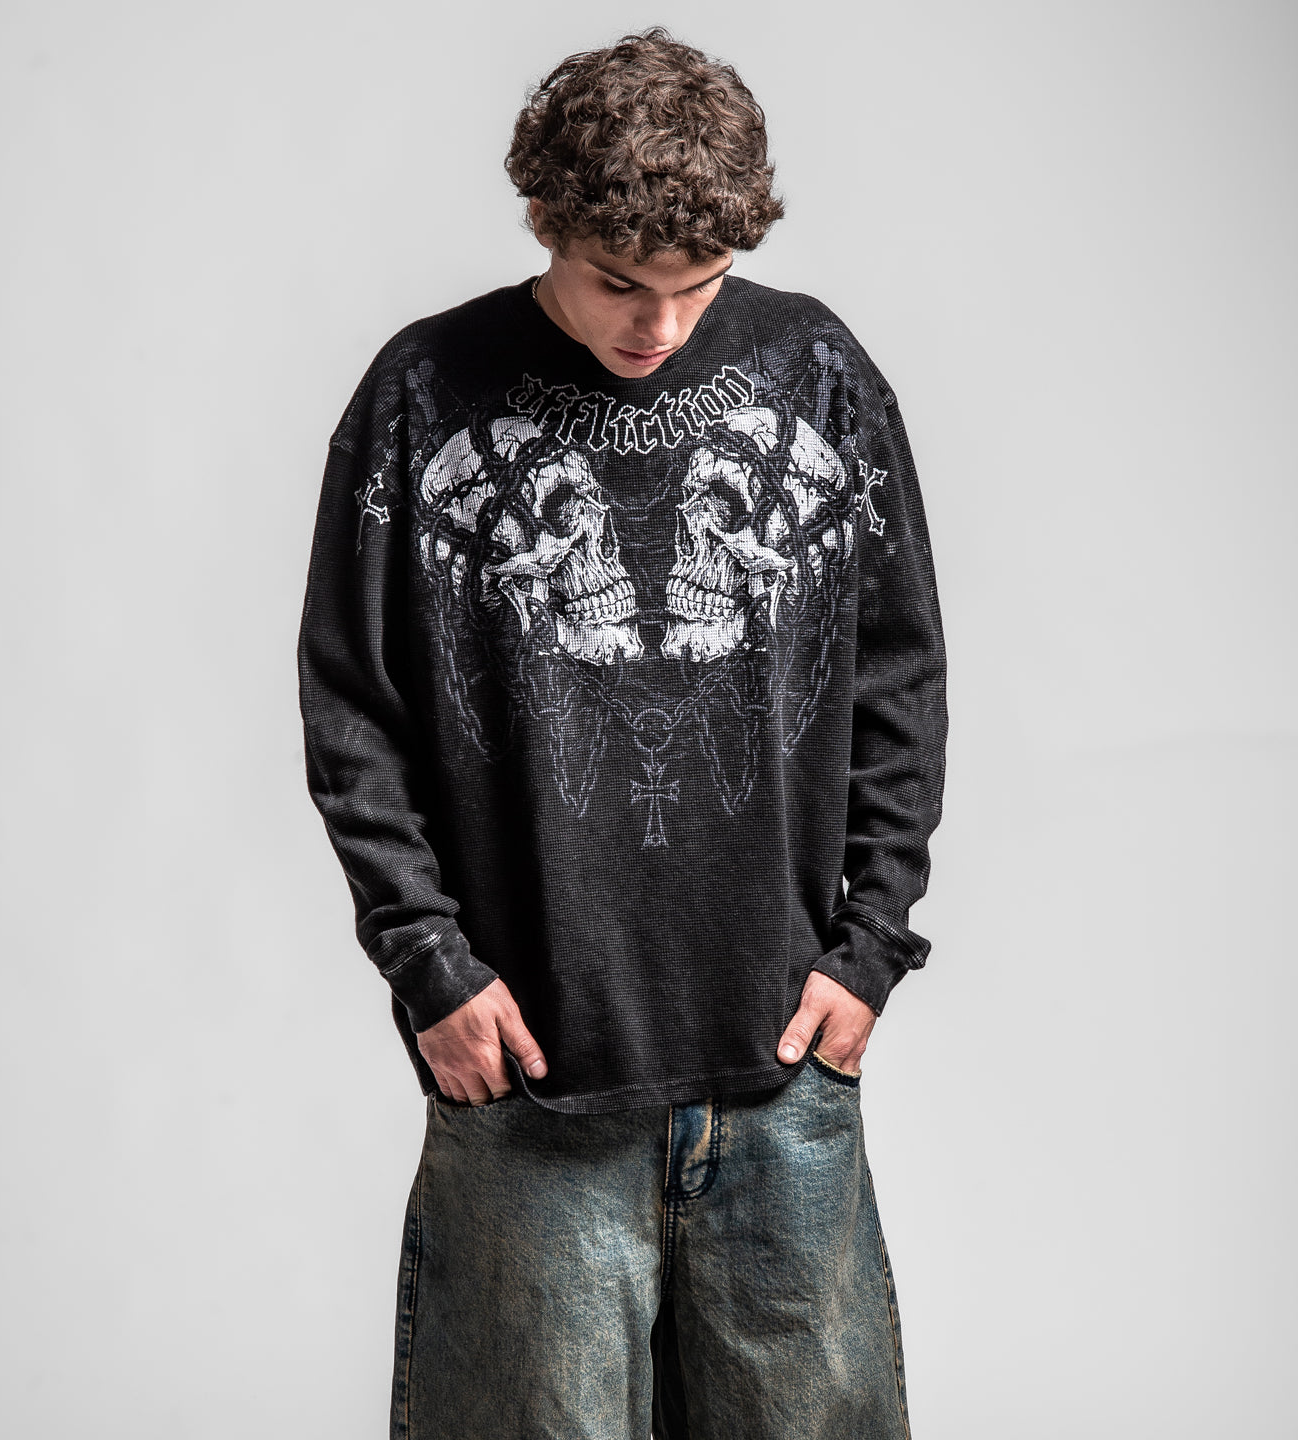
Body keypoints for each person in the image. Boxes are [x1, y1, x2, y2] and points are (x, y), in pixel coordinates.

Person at [297, 26, 947, 1440]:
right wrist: (429, 967)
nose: (659, 328)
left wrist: (871, 946)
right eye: (618, 284)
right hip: (531, 1087)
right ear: (542, 217)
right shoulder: (423, 392)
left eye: (698, 287)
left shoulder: (819, 372)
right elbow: (353, 708)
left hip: (782, 1077)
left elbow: (898, 675)